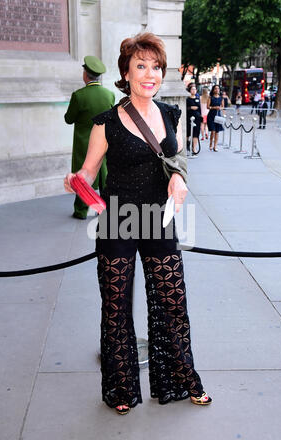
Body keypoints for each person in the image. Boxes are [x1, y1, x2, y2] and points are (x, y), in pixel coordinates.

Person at [64, 32, 212, 415]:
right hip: (118, 220)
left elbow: (177, 162)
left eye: (156, 67)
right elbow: (88, 171)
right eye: (141, 66)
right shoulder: (107, 122)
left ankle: (183, 380)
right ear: (126, 74)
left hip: (158, 219)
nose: (150, 74)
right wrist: (77, 183)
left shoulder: (170, 114)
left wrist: (179, 179)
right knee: (115, 306)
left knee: (172, 302)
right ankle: (121, 389)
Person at [64, 56, 115, 219]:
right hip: (105, 141)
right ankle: (104, 209)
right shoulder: (109, 95)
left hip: (84, 143)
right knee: (104, 175)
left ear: (86, 74)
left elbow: (68, 119)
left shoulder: (79, 95)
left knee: (82, 176)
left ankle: (81, 210)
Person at [207, 84, 224, 152]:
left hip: (218, 115)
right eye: (215, 88)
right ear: (213, 90)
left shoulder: (221, 98)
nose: (217, 90)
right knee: (213, 131)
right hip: (211, 115)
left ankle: (215, 146)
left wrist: (220, 108)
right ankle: (211, 143)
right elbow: (208, 107)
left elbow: (223, 106)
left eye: (218, 89)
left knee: (217, 132)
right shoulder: (210, 97)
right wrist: (214, 107)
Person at [186, 84, 202, 156]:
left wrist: (201, 117)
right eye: (192, 89)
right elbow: (185, 108)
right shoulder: (187, 99)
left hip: (197, 118)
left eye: (195, 89)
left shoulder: (198, 99)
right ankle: (187, 144)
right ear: (189, 90)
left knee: (196, 133)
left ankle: (194, 148)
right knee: (188, 132)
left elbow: (200, 109)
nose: (194, 91)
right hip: (189, 118)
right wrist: (191, 107)